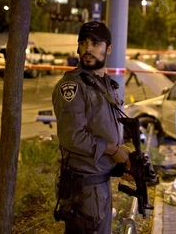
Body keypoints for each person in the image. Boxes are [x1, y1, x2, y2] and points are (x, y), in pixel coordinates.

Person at [52, 21, 130, 233]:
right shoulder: (73, 86)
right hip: (84, 188)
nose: (88, 49)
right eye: (84, 42)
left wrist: (124, 156)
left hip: (99, 185)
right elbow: (73, 137)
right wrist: (113, 150)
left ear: (108, 48)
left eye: (95, 43)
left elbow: (103, 128)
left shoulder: (105, 84)